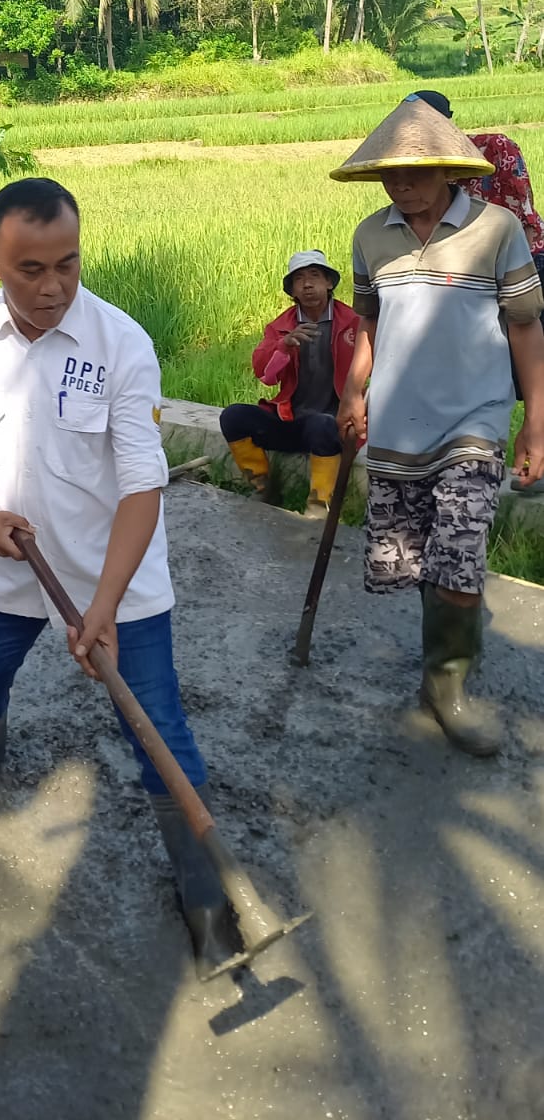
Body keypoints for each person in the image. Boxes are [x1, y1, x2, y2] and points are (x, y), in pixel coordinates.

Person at [0, 176, 241, 976]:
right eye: (30, 268)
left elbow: (141, 484)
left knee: (158, 726)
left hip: (115, 581)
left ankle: (205, 899)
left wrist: (102, 606)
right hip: (2, 574)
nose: (53, 285)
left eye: (69, 262)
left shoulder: (121, 343)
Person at [333, 95, 544, 757]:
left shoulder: (497, 229)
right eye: (392, 175)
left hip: (472, 420)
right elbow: (369, 325)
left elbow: (525, 326)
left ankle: (448, 686)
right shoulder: (371, 235)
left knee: (459, 547)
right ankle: (440, 662)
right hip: (399, 421)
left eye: (417, 173)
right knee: (417, 560)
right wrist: (353, 390)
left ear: (450, 170)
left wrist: (535, 420)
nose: (404, 186)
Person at [220, 251, 358, 519]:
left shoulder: (353, 322)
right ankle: (262, 487)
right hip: (292, 419)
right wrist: (283, 347)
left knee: (322, 423)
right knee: (233, 416)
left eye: (314, 276)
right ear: (292, 290)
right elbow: (265, 376)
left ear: (329, 282)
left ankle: (319, 504)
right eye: (299, 279)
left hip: (335, 425)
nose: (307, 284)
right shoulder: (281, 327)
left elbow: (381, 365)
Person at [412, 89, 544, 292]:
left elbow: (523, 214)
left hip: (522, 259)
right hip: (462, 268)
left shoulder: (496, 148)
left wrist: (517, 274)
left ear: (447, 123)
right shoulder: (410, 167)